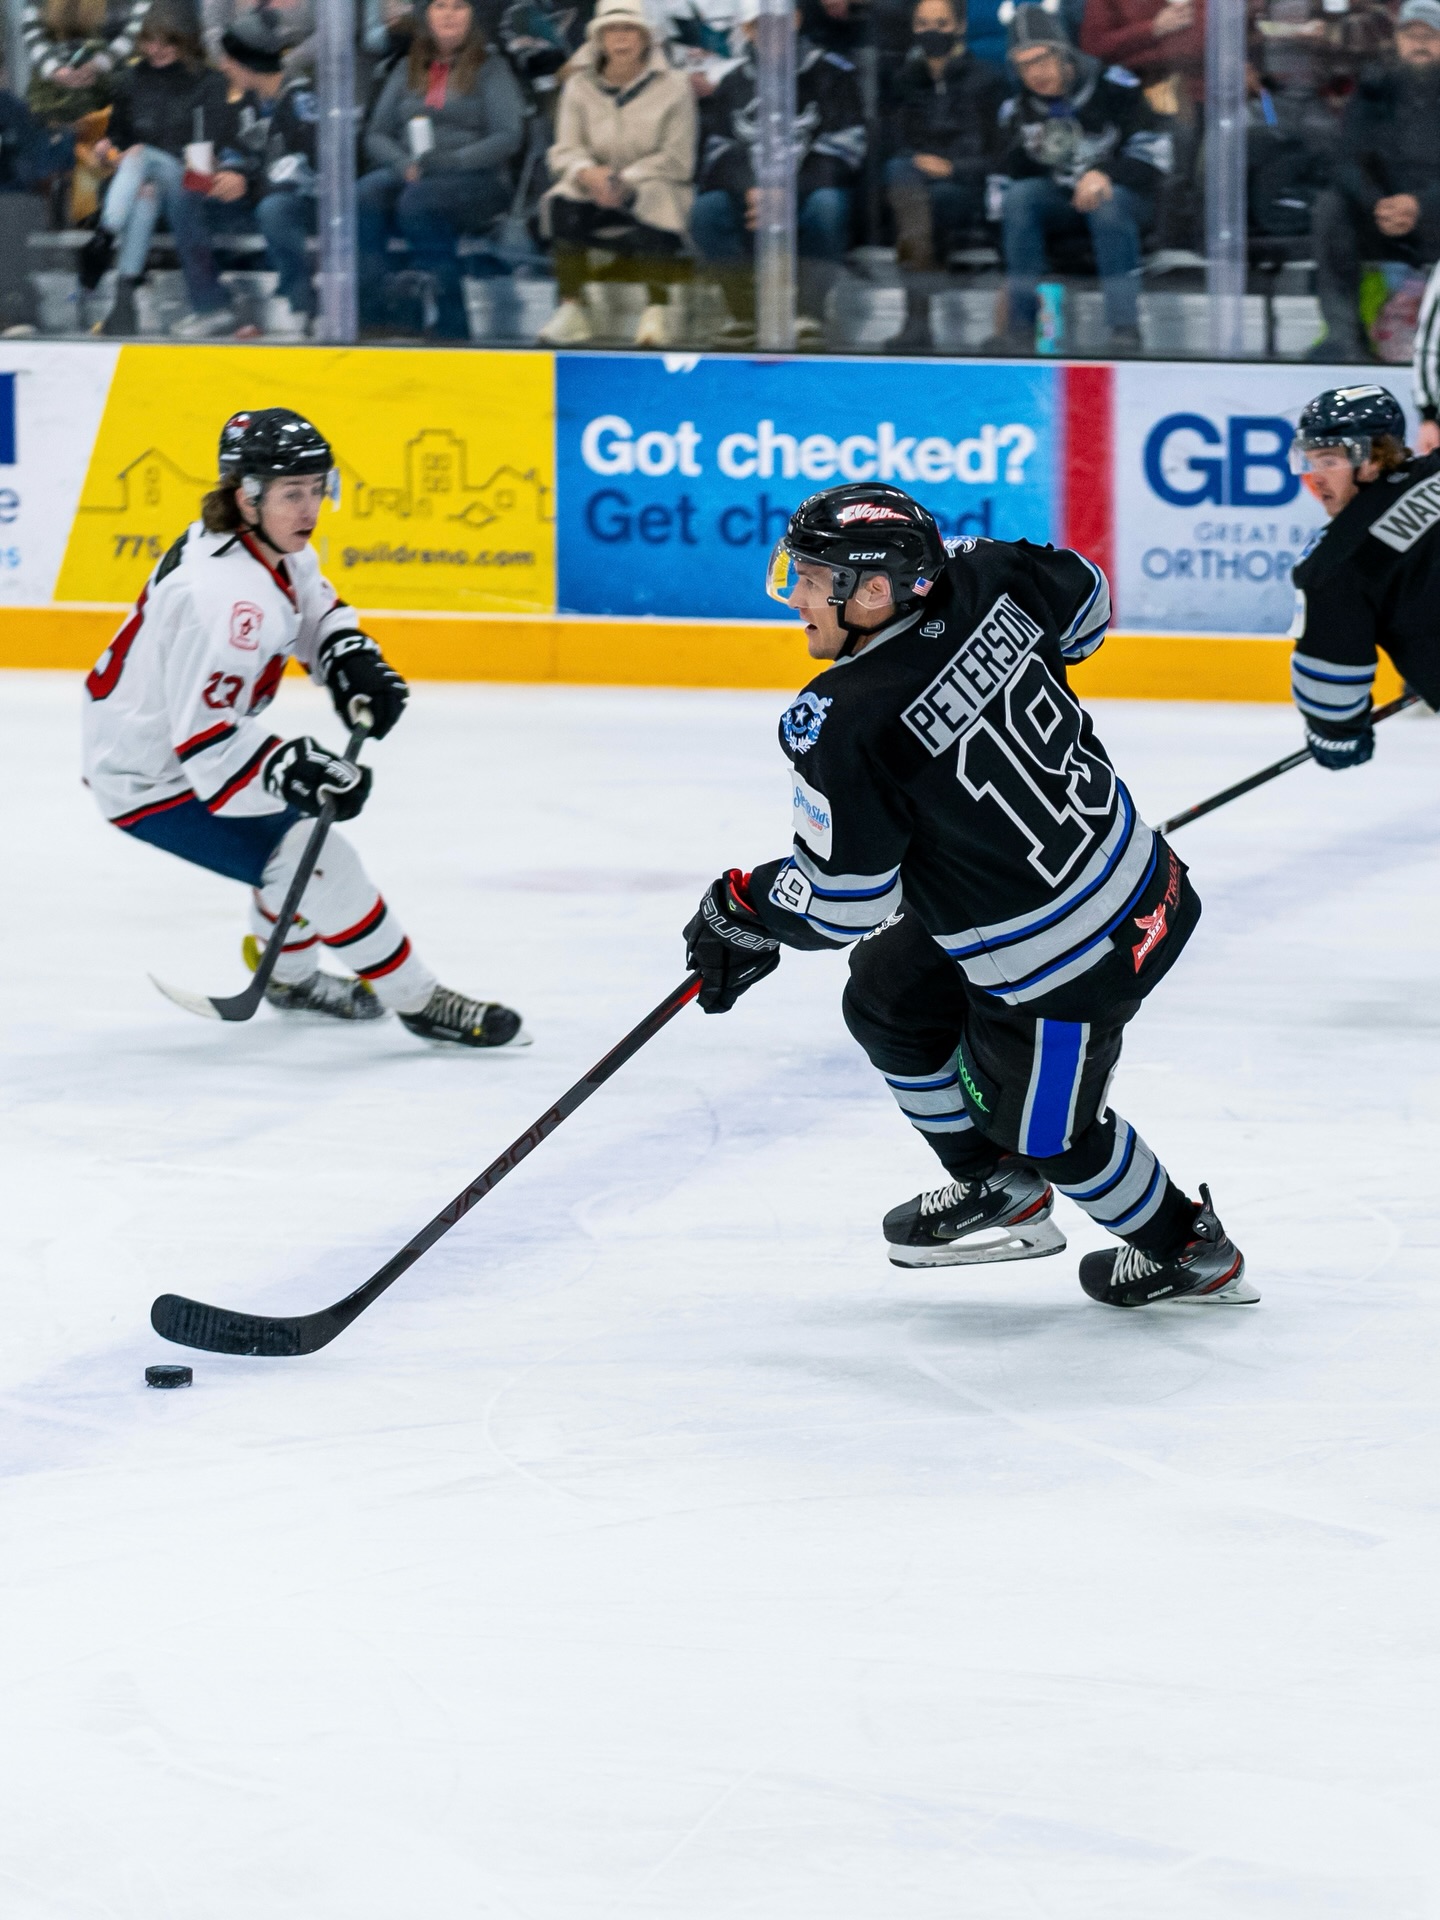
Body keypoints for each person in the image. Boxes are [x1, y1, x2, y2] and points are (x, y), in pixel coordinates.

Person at [680, 481, 1254, 1309]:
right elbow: (1088, 606)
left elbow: (846, 903)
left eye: (811, 578)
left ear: (873, 592)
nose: (795, 596)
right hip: (1117, 877)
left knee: (1052, 1134)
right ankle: (996, 1184)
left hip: (1070, 962)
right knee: (886, 998)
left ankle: (1187, 1249)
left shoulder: (844, 716)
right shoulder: (989, 571)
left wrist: (745, 905)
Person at [81, 407, 526, 1050]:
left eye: (318, 488)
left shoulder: (261, 543)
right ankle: (421, 1002)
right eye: (293, 492)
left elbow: (311, 603)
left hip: (169, 744)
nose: (310, 507)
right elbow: (204, 745)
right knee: (317, 860)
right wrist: (286, 767)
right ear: (247, 496)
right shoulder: (220, 598)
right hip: (150, 775)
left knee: (294, 851)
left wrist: (345, 655)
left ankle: (290, 981)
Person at [994, 3, 1171, 353]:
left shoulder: (1114, 85)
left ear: (1064, 53)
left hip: (1125, 199)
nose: (1035, 73)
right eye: (1023, 65)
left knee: (1107, 205)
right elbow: (1002, 183)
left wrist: (1105, 174)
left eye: (1041, 59)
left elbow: (1158, 154)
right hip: (1061, 203)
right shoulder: (1015, 110)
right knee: (1020, 199)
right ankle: (1021, 328)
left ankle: (1124, 328)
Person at [692, 0, 865, 342]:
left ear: (796, 20)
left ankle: (809, 313)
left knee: (828, 206)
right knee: (706, 211)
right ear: (747, 30)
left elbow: (847, 147)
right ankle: (744, 314)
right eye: (760, 25)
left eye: (778, 22)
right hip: (752, 199)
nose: (770, 32)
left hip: (808, 193)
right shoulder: (732, 82)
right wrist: (750, 189)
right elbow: (716, 152)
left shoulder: (832, 73)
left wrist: (788, 191)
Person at [1288, 385, 1440, 767]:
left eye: (1328, 461)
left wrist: (1337, 739)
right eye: (1310, 462)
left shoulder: (1337, 565)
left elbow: (1331, 690)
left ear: (1373, 457)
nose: (1315, 478)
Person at [359, 0, 525, 339]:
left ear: (472, 15)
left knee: (418, 203)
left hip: (477, 178)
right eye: (441, 6)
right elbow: (376, 133)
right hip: (414, 171)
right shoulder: (406, 67)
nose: (449, 14)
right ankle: (382, 313)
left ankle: (451, 324)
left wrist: (454, 161)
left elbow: (508, 136)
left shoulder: (491, 67)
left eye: (459, 6)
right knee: (363, 196)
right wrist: (402, 163)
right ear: (427, 15)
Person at [537, 0, 696, 348]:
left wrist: (626, 180)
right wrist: (587, 172)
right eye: (611, 30)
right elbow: (565, 149)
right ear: (599, 39)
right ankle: (572, 308)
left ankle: (657, 309)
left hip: (653, 181)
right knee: (561, 198)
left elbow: (678, 158)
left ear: (645, 37)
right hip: (593, 185)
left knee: (657, 197)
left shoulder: (676, 86)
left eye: (629, 30)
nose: (620, 38)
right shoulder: (578, 86)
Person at [82, 1, 245, 338]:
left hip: (194, 173)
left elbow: (210, 146)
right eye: (148, 40)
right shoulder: (130, 79)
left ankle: (105, 235)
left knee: (143, 160)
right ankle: (125, 304)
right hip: (137, 182)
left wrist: (146, 159)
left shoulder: (208, 82)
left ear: (184, 40)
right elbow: (118, 137)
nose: (155, 49)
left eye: (166, 41)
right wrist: (108, 151)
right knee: (144, 195)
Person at [1308, 0, 1440, 363]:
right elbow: (1346, 159)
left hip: (1435, 214)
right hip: (1381, 216)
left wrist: (1421, 205)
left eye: (1430, 35)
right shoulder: (1374, 88)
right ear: (1397, 40)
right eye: (1411, 35)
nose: (1419, 44)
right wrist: (1377, 202)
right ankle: (1344, 338)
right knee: (1330, 210)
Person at [884, 0, 1007, 273]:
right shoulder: (905, 80)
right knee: (898, 170)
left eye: (941, 24)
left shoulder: (988, 79)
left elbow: (999, 154)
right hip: (914, 177)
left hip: (966, 182)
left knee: (936, 198)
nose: (932, 32)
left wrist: (953, 168)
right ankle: (920, 263)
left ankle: (917, 266)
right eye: (923, 24)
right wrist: (918, 160)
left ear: (960, 26)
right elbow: (895, 140)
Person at [21, 0, 150, 125]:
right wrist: (54, 69)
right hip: (53, 82)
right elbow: (32, 29)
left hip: (114, 76)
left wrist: (101, 63)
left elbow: (138, 27)